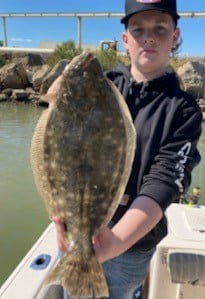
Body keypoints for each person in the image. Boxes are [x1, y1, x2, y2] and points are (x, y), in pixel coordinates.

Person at [51, 0, 202, 298]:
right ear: (125, 40)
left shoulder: (183, 110)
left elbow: (166, 179)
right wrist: (58, 93)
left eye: (160, 28)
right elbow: (63, 145)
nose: (148, 36)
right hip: (78, 228)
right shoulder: (103, 84)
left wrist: (116, 241)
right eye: (138, 29)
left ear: (175, 37)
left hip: (132, 245)